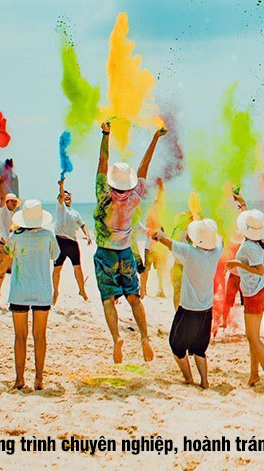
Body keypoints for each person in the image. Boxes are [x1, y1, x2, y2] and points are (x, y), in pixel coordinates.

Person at [91, 121, 166, 364]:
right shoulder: (135, 196)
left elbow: (103, 160)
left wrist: (106, 134)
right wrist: (155, 138)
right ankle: (145, 337)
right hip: (125, 253)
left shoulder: (103, 193)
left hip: (105, 253)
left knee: (108, 300)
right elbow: (144, 166)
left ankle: (116, 338)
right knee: (134, 298)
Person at [151, 219, 222, 389]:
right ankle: (204, 381)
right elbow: (220, 239)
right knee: (199, 349)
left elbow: (166, 241)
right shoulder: (217, 251)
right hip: (206, 310)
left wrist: (158, 234)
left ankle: (189, 379)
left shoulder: (190, 252)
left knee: (176, 346)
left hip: (188, 310)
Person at [4, 200, 58, 390]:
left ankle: (19, 379)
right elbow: (55, 256)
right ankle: (39, 379)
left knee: (20, 336)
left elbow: (8, 253)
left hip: (19, 291)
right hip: (42, 290)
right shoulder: (48, 235)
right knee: (40, 336)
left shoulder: (15, 236)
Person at [229, 208, 264, 386]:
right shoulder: (256, 244)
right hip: (258, 291)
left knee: (253, 338)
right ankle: (254, 374)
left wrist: (237, 263)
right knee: (254, 337)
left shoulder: (250, 246)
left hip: (253, 294)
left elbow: (259, 270)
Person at [52, 179, 92, 302]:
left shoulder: (75, 213)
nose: (67, 197)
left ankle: (82, 291)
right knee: (57, 268)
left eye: (69, 196)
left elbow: (82, 225)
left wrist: (88, 235)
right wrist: (62, 186)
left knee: (78, 267)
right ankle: (56, 292)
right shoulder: (61, 207)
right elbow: (61, 196)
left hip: (72, 243)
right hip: (60, 242)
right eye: (65, 196)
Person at [0, 193, 21, 307]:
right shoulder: (4, 211)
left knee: (18, 273)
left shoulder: (16, 216)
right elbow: (2, 198)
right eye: (11, 200)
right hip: (4, 246)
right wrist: (1, 185)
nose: (14, 203)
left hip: (15, 247)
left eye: (15, 201)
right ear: (7, 202)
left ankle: (16, 297)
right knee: (1, 272)